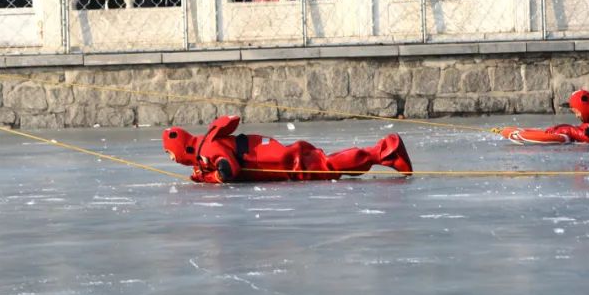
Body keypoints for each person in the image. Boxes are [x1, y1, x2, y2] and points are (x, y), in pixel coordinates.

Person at [162, 115, 413, 183]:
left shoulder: (208, 147)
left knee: (323, 166)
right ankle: (383, 155)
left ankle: (385, 151)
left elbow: (228, 170)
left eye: (169, 152)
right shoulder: (204, 148)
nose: (171, 158)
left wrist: (210, 177)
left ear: (181, 146)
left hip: (271, 159)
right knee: (323, 164)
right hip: (267, 155)